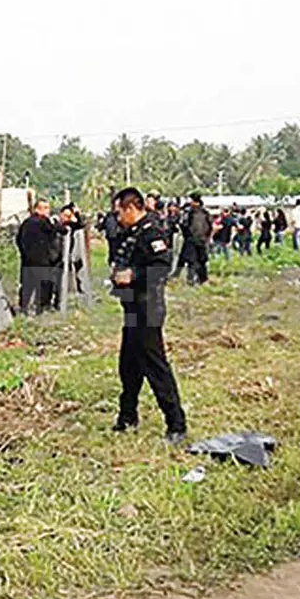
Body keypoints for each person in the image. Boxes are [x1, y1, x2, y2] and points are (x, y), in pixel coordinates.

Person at [108, 187, 187, 444]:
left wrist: (133, 275)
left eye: (120, 212)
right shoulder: (132, 232)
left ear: (132, 208)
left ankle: (176, 424)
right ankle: (127, 415)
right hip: (132, 308)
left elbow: (162, 267)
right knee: (128, 365)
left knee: (155, 366)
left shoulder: (152, 232)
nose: (118, 217)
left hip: (147, 308)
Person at [15, 199, 61, 314]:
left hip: (27, 259)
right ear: (36, 209)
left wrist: (24, 252)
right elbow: (56, 231)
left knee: (27, 285)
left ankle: (23, 308)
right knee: (44, 285)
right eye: (43, 208)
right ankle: (41, 309)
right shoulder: (43, 222)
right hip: (42, 260)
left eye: (47, 207)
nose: (46, 210)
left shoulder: (26, 222)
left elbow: (18, 239)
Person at [181, 193, 212, 285]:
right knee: (201, 261)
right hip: (202, 240)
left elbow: (184, 225)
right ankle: (202, 279)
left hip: (192, 240)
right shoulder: (205, 212)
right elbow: (210, 227)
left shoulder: (189, 212)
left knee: (192, 261)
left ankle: (192, 279)